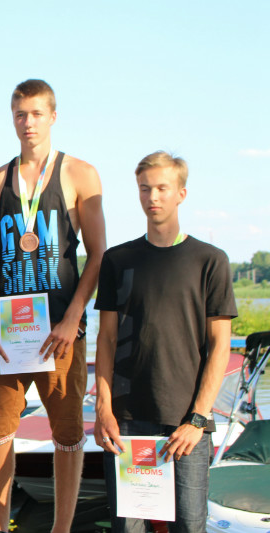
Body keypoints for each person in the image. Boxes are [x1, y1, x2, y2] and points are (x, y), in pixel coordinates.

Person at [0, 79, 106, 533]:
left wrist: (73, 318)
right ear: (12, 119)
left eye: (35, 114)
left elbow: (98, 254)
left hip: (58, 331)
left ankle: (61, 529)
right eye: (19, 114)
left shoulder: (79, 174)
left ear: (53, 117)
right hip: (5, 333)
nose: (27, 123)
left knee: (67, 438)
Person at [94, 151, 237, 532]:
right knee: (128, 528)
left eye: (162, 188)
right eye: (145, 188)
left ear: (181, 194)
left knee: (189, 526)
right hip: (126, 423)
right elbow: (106, 339)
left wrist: (197, 419)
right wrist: (104, 410)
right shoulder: (117, 260)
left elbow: (220, 347)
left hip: (186, 423)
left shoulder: (210, 261)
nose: (152, 197)